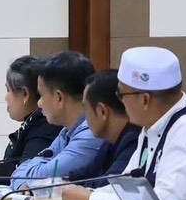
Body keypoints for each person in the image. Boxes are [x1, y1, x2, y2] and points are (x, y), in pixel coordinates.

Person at [80, 46, 186, 200]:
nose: (120, 101)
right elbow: (128, 186)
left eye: (120, 94)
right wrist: (83, 196)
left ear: (144, 99)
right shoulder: (151, 126)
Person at [8, 50, 110, 191]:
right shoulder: (66, 131)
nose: (39, 103)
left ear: (59, 97)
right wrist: (24, 185)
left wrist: (27, 184)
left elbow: (48, 176)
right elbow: (20, 172)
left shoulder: (90, 134)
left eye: (42, 95)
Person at [70, 70, 142, 193]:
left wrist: (71, 188)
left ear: (102, 111)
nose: (83, 117)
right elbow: (84, 174)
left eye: (85, 109)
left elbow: (108, 184)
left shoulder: (134, 140)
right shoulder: (110, 141)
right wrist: (56, 182)